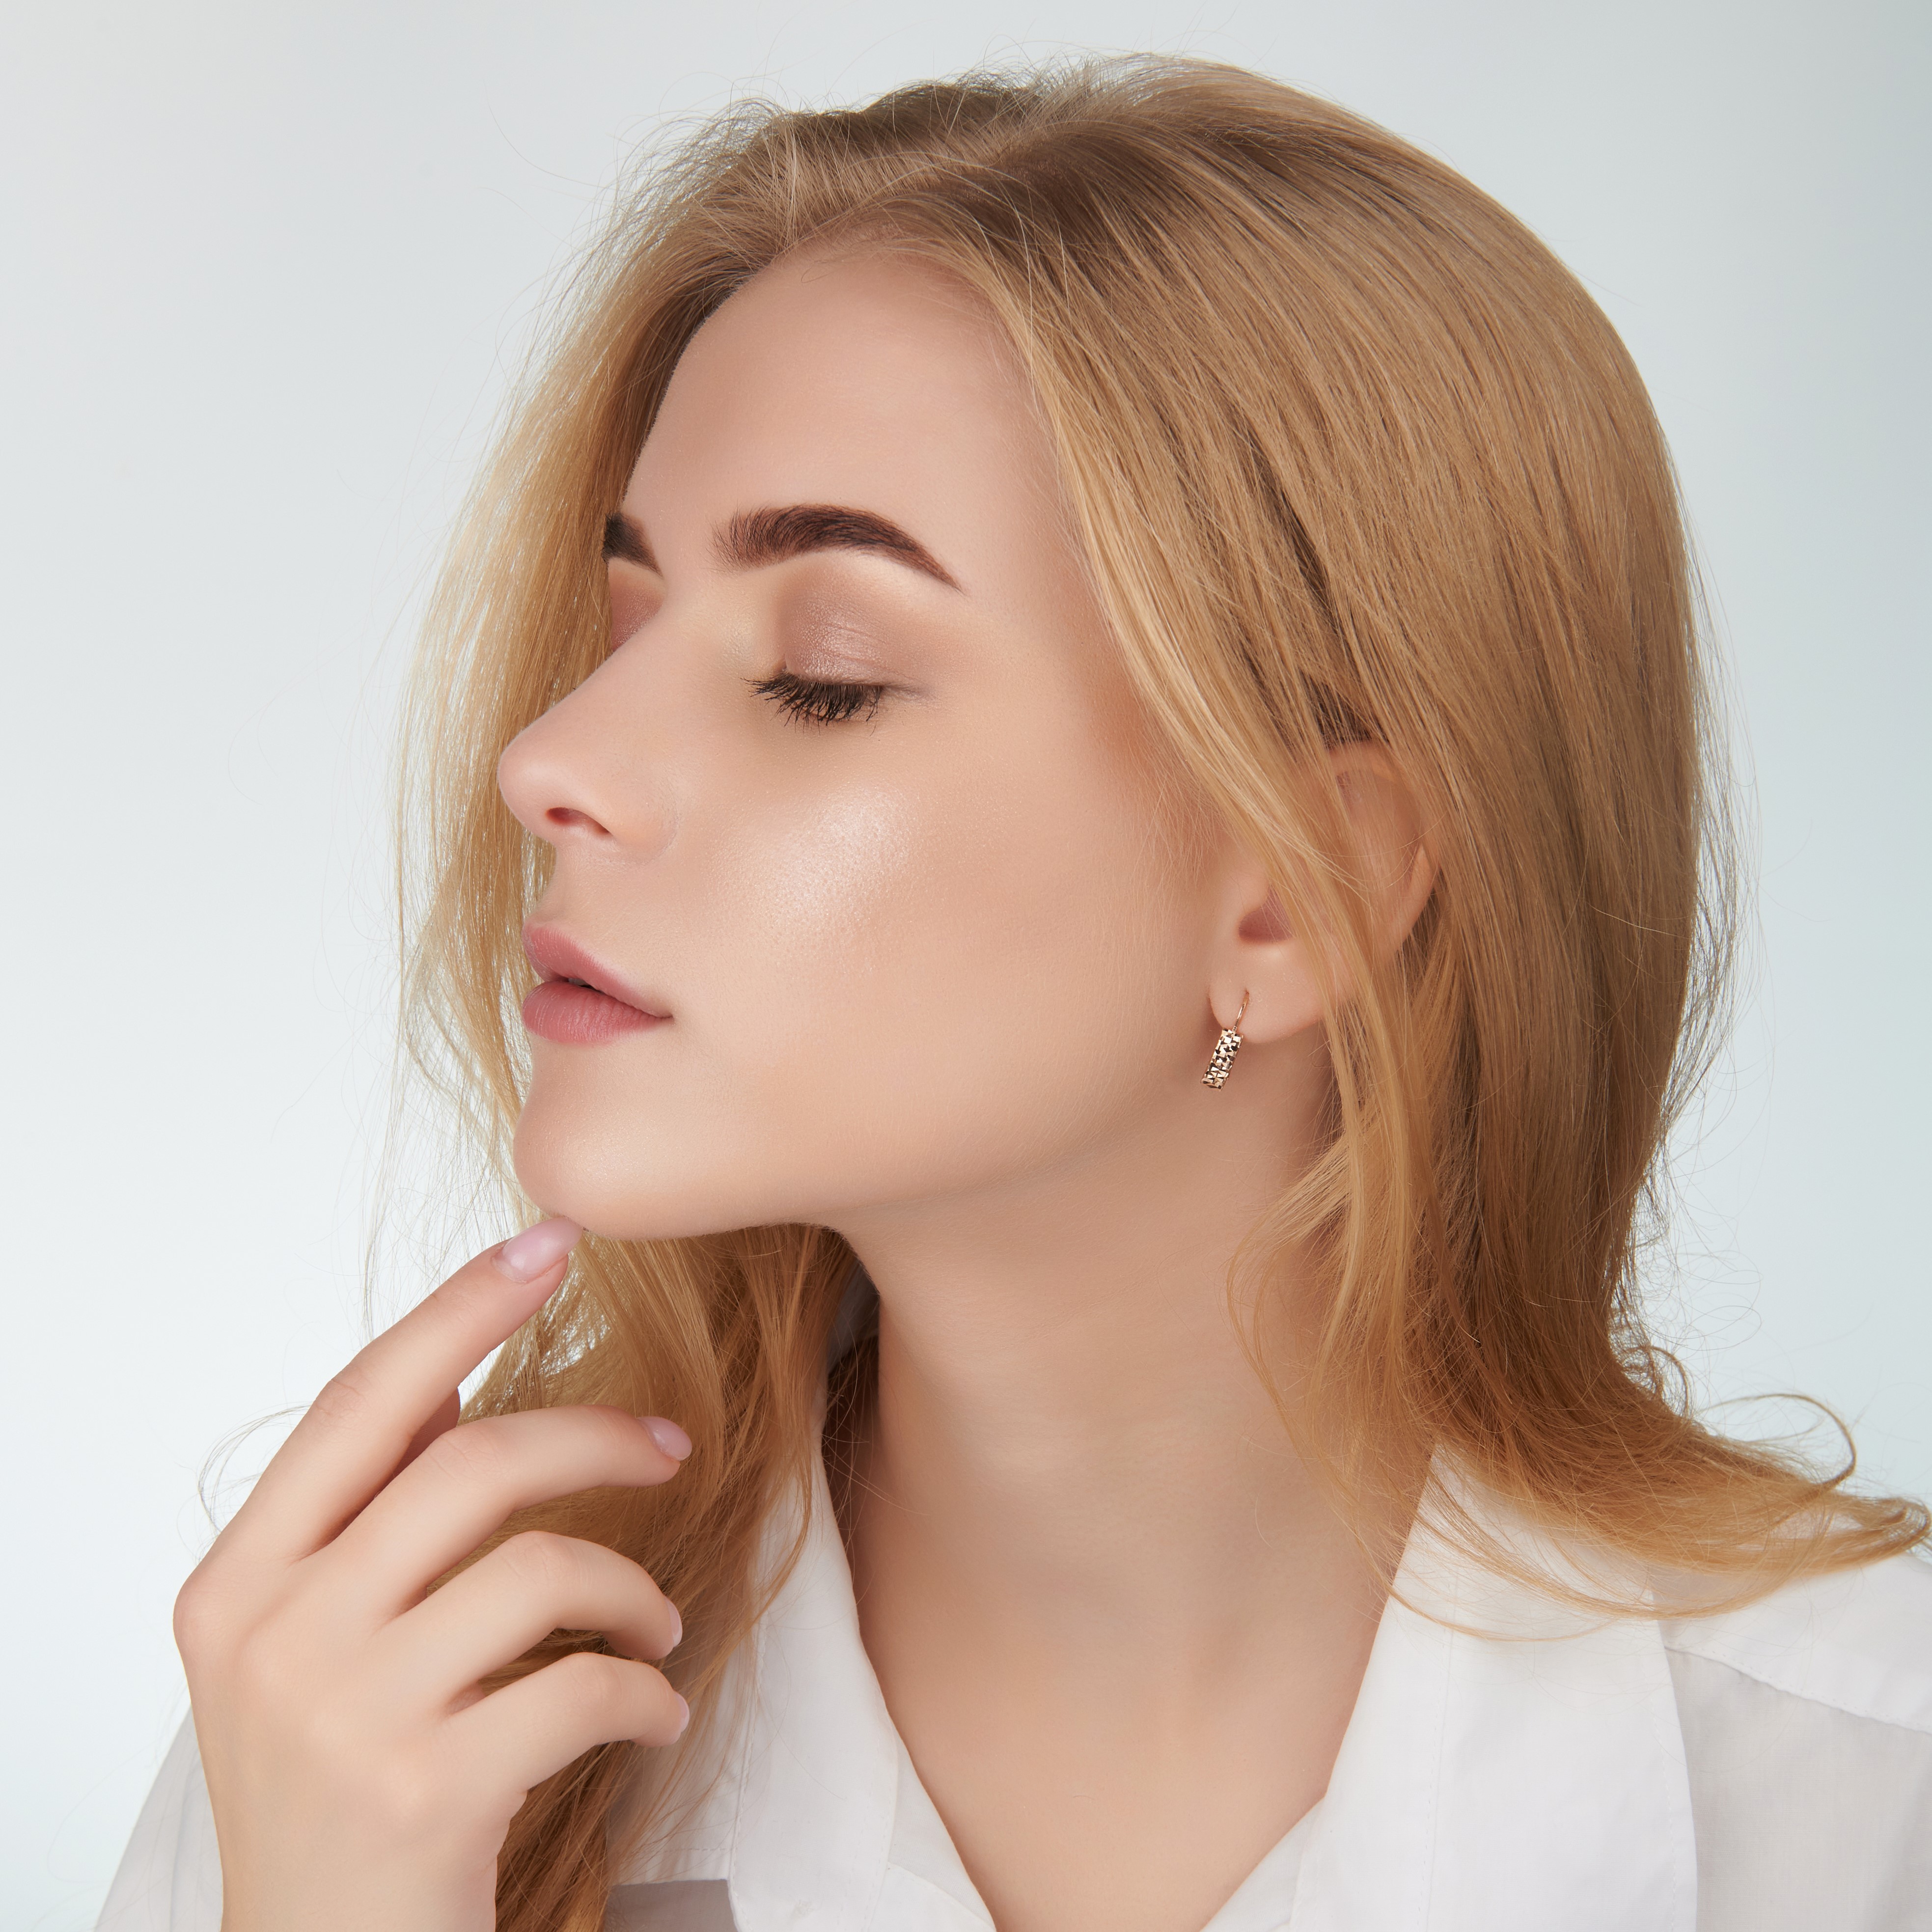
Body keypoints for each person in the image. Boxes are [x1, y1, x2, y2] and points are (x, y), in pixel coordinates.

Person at [99, 54, 1932, 1932]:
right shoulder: (373, 1758)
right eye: (626, 627)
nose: (549, 759)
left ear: (1298, 891)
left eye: (820, 675)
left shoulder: (1874, 1804)